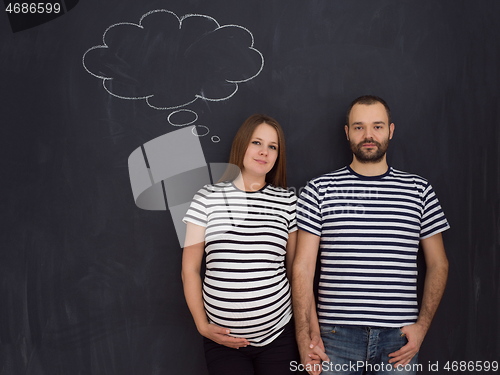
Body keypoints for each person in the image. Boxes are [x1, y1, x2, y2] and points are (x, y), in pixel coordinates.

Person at [292, 95, 450, 375]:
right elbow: (302, 268)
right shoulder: (318, 190)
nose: (368, 135)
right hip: (333, 339)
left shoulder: (419, 190)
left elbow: (439, 264)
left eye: (377, 126)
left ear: (390, 130)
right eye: (358, 127)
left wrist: (422, 328)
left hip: (399, 340)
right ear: (347, 132)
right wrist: (305, 338)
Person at [182, 114, 302, 375]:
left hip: (278, 335)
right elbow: (190, 270)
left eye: (273, 146)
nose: (264, 152)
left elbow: (295, 272)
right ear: (242, 145)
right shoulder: (207, 198)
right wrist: (202, 325)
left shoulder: (287, 202)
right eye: (256, 142)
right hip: (222, 341)